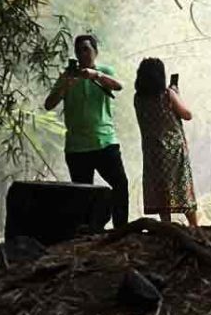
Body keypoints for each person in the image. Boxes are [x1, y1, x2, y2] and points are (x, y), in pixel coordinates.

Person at [43, 34, 128, 229]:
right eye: (79, 50)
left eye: (86, 49)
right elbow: (49, 104)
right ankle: (89, 233)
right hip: (77, 146)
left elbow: (119, 86)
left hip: (105, 141)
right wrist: (66, 84)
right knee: (83, 194)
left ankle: (121, 229)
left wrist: (95, 75)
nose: (82, 54)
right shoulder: (67, 76)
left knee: (120, 185)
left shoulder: (103, 71)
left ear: (95, 52)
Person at [133, 57, 198, 227]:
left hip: (152, 151)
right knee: (181, 184)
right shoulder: (167, 95)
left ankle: (166, 224)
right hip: (174, 149)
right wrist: (177, 94)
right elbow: (187, 114)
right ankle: (194, 225)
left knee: (160, 186)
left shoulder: (138, 99)